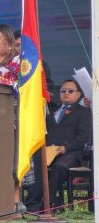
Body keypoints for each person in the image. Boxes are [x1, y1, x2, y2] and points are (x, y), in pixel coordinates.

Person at [25, 79, 92, 211]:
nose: (66, 93)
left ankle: (46, 203)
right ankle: (33, 203)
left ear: (78, 95)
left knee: (60, 166)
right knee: (34, 163)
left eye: (70, 91)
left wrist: (65, 148)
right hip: (49, 151)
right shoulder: (53, 110)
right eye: (63, 91)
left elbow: (83, 137)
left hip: (70, 153)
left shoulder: (83, 112)